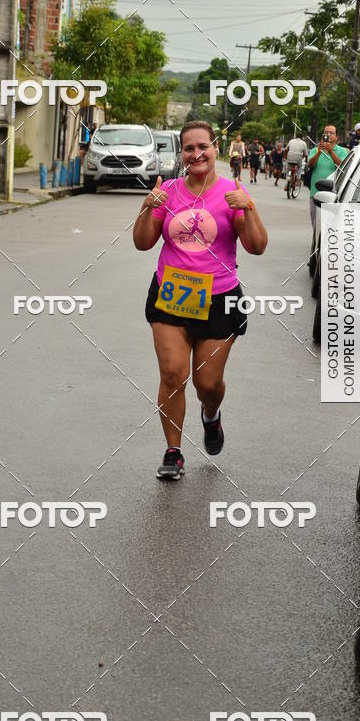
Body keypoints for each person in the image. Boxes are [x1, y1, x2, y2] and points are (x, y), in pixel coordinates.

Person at [133, 120, 268, 480]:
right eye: (189, 148)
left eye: (203, 146)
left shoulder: (231, 193)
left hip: (219, 298)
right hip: (171, 295)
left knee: (207, 383)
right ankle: (173, 451)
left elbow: (257, 246)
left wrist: (248, 208)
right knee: (172, 373)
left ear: (215, 149)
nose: (197, 154)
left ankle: (211, 414)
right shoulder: (169, 192)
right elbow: (142, 243)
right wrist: (146, 207)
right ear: (182, 154)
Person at [307, 125, 349, 228]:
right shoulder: (315, 150)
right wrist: (318, 152)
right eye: (326, 132)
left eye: (331, 133)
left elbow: (342, 167)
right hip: (315, 193)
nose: (328, 134)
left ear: (336, 137)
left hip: (333, 196)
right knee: (316, 225)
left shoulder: (342, 151)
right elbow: (310, 165)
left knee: (330, 227)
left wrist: (331, 152)